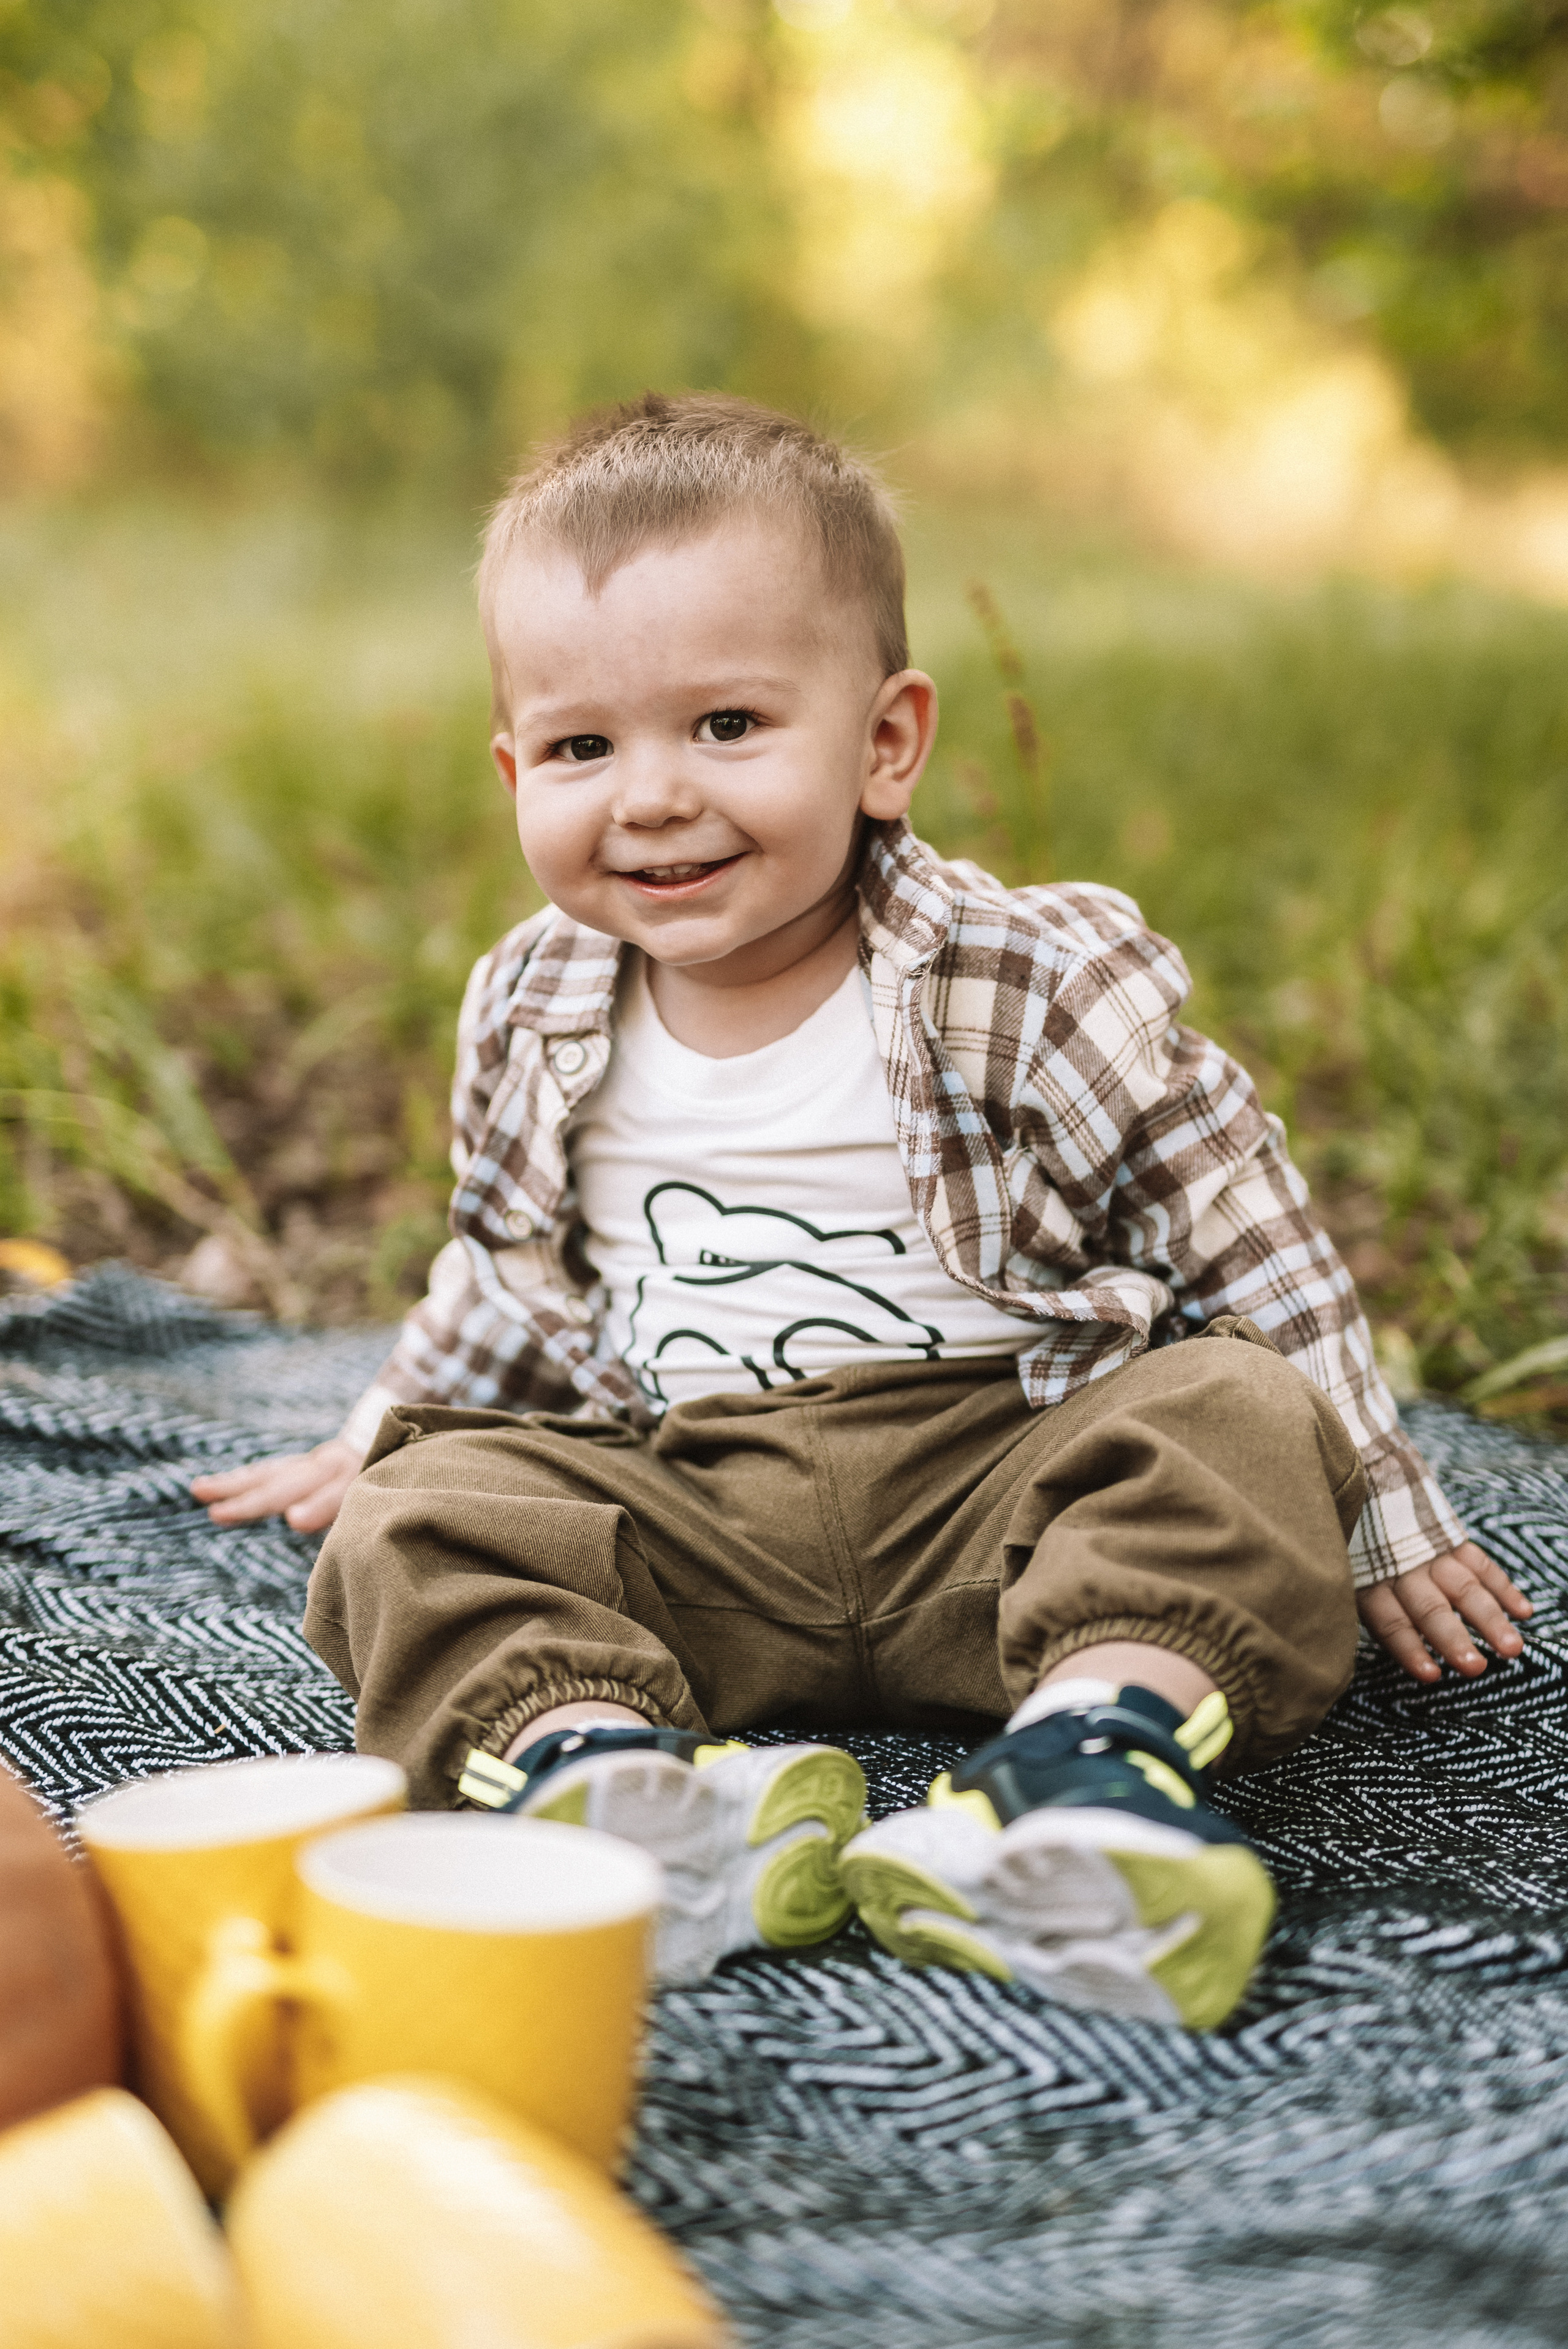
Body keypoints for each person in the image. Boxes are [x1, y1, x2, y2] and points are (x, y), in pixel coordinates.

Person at [191, 393, 1531, 2026]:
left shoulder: (1018, 978)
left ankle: (1081, 1760)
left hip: (1006, 1492)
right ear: (512, 766)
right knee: (416, 1516)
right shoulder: (533, 1001)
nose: (653, 797)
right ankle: (617, 1784)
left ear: (887, 740)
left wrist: (1384, 1500)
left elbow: (1239, 1226)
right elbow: (510, 1258)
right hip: (701, 1518)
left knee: (1237, 1416)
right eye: (582, 747)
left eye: (730, 726)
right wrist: (396, 1414)